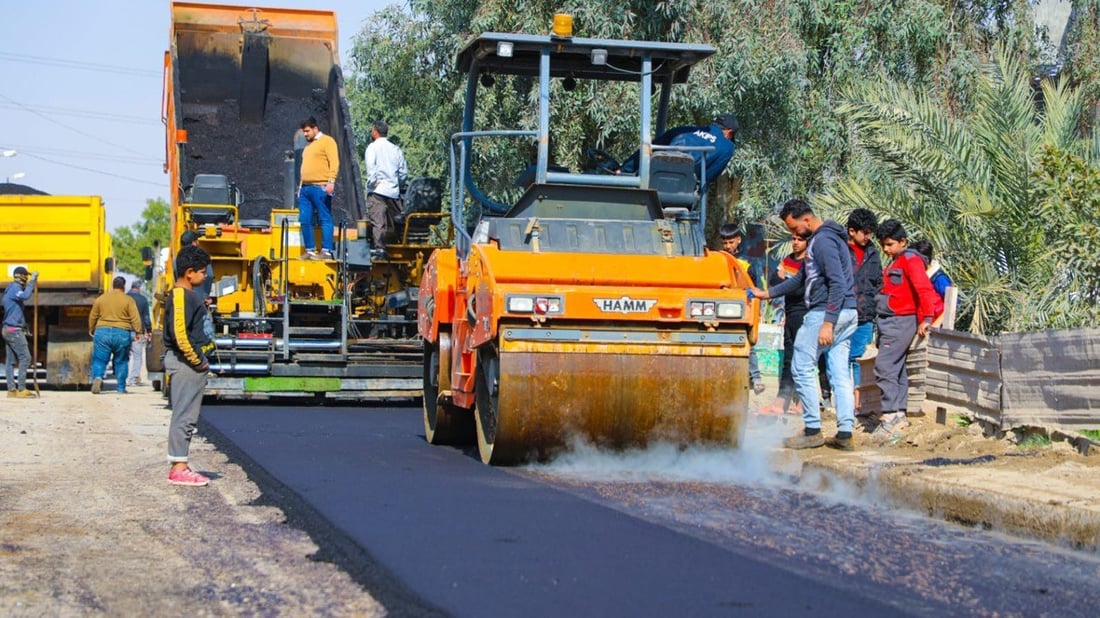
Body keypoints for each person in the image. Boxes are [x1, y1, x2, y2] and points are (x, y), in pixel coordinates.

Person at [749, 199, 859, 451]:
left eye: (793, 228)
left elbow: (838, 283)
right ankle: (845, 433)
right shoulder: (825, 240)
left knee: (801, 366)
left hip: (826, 312)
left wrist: (828, 322)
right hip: (847, 312)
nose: (793, 234)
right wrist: (768, 293)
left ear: (806, 221)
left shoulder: (823, 241)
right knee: (839, 372)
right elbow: (801, 276)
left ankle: (812, 429)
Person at [871, 220, 938, 443]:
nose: (886, 249)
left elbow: (924, 289)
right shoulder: (896, 261)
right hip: (890, 322)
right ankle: (898, 414)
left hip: (900, 321)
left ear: (903, 241)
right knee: (896, 368)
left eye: (890, 244)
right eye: (883, 245)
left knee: (885, 366)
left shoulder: (910, 260)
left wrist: (926, 318)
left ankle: (890, 416)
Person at [164, 244, 216, 487]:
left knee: (188, 414)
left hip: (191, 363)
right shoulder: (180, 296)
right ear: (189, 272)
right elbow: (180, 335)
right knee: (184, 415)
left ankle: (181, 462)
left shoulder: (189, 296)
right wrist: (199, 362)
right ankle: (178, 468)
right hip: (187, 364)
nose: (205, 276)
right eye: (202, 272)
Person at [758, 234, 808, 415]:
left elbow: (800, 288)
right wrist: (787, 284)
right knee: (789, 358)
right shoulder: (788, 260)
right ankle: (783, 400)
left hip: (804, 314)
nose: (795, 242)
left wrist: (785, 282)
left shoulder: (809, 263)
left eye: (800, 239)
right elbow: (774, 280)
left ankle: (803, 403)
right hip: (789, 313)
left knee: (804, 359)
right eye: (793, 239)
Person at [620, 113, 738, 184]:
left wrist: (624, 170)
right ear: (730, 132)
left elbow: (647, 150)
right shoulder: (727, 147)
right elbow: (708, 177)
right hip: (682, 194)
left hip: (651, 184)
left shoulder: (681, 130)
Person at [719, 223, 765, 394]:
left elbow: (754, 287)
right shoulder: (719, 259)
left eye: (731, 242)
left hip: (742, 307)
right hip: (722, 307)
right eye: (725, 243)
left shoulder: (746, 262)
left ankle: (756, 376)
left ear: (738, 240)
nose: (728, 246)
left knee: (747, 341)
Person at [846, 208, 883, 414]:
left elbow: (878, 282)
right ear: (852, 231)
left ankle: (858, 402)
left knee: (860, 358)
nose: (868, 236)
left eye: (870, 232)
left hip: (866, 315)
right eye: (865, 232)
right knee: (840, 358)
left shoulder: (873, 253)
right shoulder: (840, 250)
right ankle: (841, 399)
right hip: (841, 313)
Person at [88, 276, 143, 394]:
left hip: (102, 332)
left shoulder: (101, 299)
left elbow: (93, 315)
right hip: (122, 332)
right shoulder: (128, 300)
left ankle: (98, 377)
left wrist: (91, 328)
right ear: (123, 287)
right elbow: (135, 317)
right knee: (121, 361)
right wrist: (138, 332)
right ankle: (121, 388)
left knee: (99, 359)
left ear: (113, 286)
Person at [298, 116, 340, 260]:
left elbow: (334, 161)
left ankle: (326, 251)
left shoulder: (327, 141)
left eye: (307, 131)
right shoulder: (308, 147)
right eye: (304, 131)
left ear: (315, 129)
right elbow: (304, 168)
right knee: (304, 219)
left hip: (320, 186)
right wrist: (300, 187)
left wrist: (331, 181)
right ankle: (309, 250)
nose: (305, 134)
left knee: (325, 218)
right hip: (305, 189)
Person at [364, 120, 409, 250]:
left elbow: (371, 170)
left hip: (377, 191)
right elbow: (403, 173)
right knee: (399, 220)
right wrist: (396, 184)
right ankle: (402, 245)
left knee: (378, 223)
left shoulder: (372, 148)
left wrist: (371, 184)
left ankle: (379, 249)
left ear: (375, 132)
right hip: (393, 192)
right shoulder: (396, 149)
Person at [3, 266, 38, 398]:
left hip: (8, 328)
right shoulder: (15, 289)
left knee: (11, 361)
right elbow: (25, 296)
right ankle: (21, 388)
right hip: (13, 330)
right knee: (25, 357)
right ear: (23, 277)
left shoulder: (9, 289)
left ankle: (12, 390)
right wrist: (33, 281)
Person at [911, 239, 953, 325]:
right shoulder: (918, 278)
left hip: (937, 330)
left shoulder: (939, 279)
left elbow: (952, 304)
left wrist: (935, 325)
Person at [126, 279, 152, 387]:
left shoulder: (125, 298)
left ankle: (123, 378)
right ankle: (132, 379)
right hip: (138, 332)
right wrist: (149, 330)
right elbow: (146, 317)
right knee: (137, 357)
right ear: (139, 288)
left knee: (123, 356)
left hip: (124, 331)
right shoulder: (143, 299)